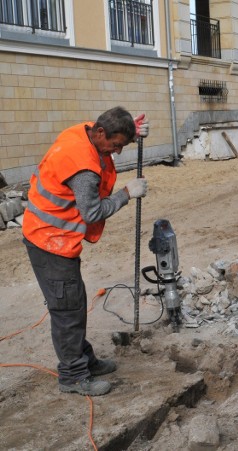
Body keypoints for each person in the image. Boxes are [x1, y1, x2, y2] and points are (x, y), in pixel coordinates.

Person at [22, 106, 149, 396]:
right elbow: (92, 213)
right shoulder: (83, 169)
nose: (116, 151)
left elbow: (112, 130)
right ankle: (73, 376)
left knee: (74, 305)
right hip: (49, 241)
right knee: (67, 310)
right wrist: (127, 194)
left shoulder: (84, 132)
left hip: (49, 236)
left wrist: (133, 129)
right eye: (116, 145)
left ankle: (84, 360)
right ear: (101, 133)